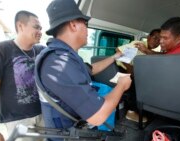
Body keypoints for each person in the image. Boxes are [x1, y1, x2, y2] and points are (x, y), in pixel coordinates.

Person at [36, 0, 131, 139]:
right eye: (85, 24)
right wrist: (122, 85)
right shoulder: (59, 63)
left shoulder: (64, 56)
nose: (87, 30)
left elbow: (90, 70)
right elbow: (98, 116)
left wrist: (115, 56)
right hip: (67, 136)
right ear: (73, 25)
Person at [0, 10, 44, 141]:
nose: (40, 31)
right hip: (19, 121)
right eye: (36, 27)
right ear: (20, 26)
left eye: (41, 28)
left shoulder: (42, 51)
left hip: (45, 114)